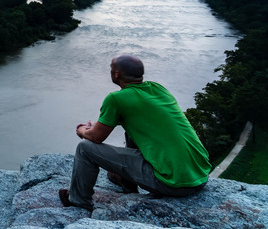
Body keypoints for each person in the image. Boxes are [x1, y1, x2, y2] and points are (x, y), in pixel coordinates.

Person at [59, 54, 211, 211]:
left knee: (84, 149)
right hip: (201, 176)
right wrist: (95, 126)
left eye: (111, 69)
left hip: (173, 183)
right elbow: (120, 120)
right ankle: (125, 181)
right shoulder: (158, 89)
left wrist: (82, 130)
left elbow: (96, 137)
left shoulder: (116, 98)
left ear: (116, 74)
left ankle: (78, 201)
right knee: (131, 131)